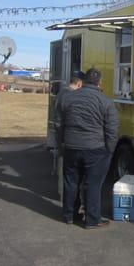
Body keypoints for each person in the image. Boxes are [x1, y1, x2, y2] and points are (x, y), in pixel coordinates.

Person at [56, 68, 119, 229]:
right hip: (95, 149)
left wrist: (61, 144)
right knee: (92, 184)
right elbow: (112, 130)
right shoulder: (106, 102)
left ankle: (69, 215)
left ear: (82, 81)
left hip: (71, 146)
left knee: (71, 182)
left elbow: (59, 124)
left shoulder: (67, 98)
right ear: (99, 82)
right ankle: (92, 220)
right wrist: (109, 150)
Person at [52, 71, 84, 200]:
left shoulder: (62, 93)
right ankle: (66, 196)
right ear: (79, 83)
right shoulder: (71, 95)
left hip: (61, 136)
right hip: (67, 137)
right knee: (68, 169)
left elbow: (57, 118)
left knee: (63, 166)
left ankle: (62, 194)